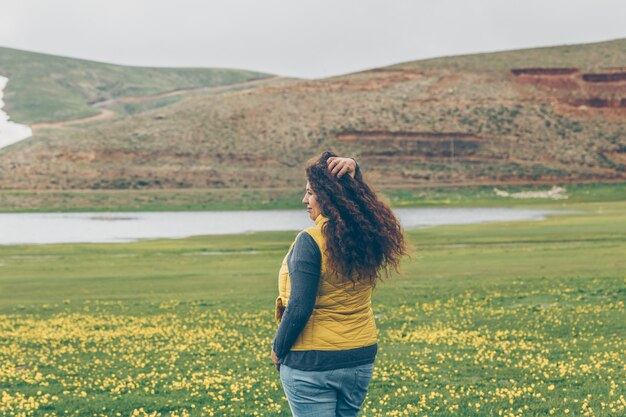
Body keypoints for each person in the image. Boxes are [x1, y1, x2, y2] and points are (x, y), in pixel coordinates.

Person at [271, 151, 407, 417]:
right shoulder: (367, 235)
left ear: (329, 196)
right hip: (359, 358)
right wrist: (357, 172)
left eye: (311, 193)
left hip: (312, 363)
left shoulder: (310, 241)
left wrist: (278, 349)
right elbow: (360, 200)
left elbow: (299, 307)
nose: (305, 200)